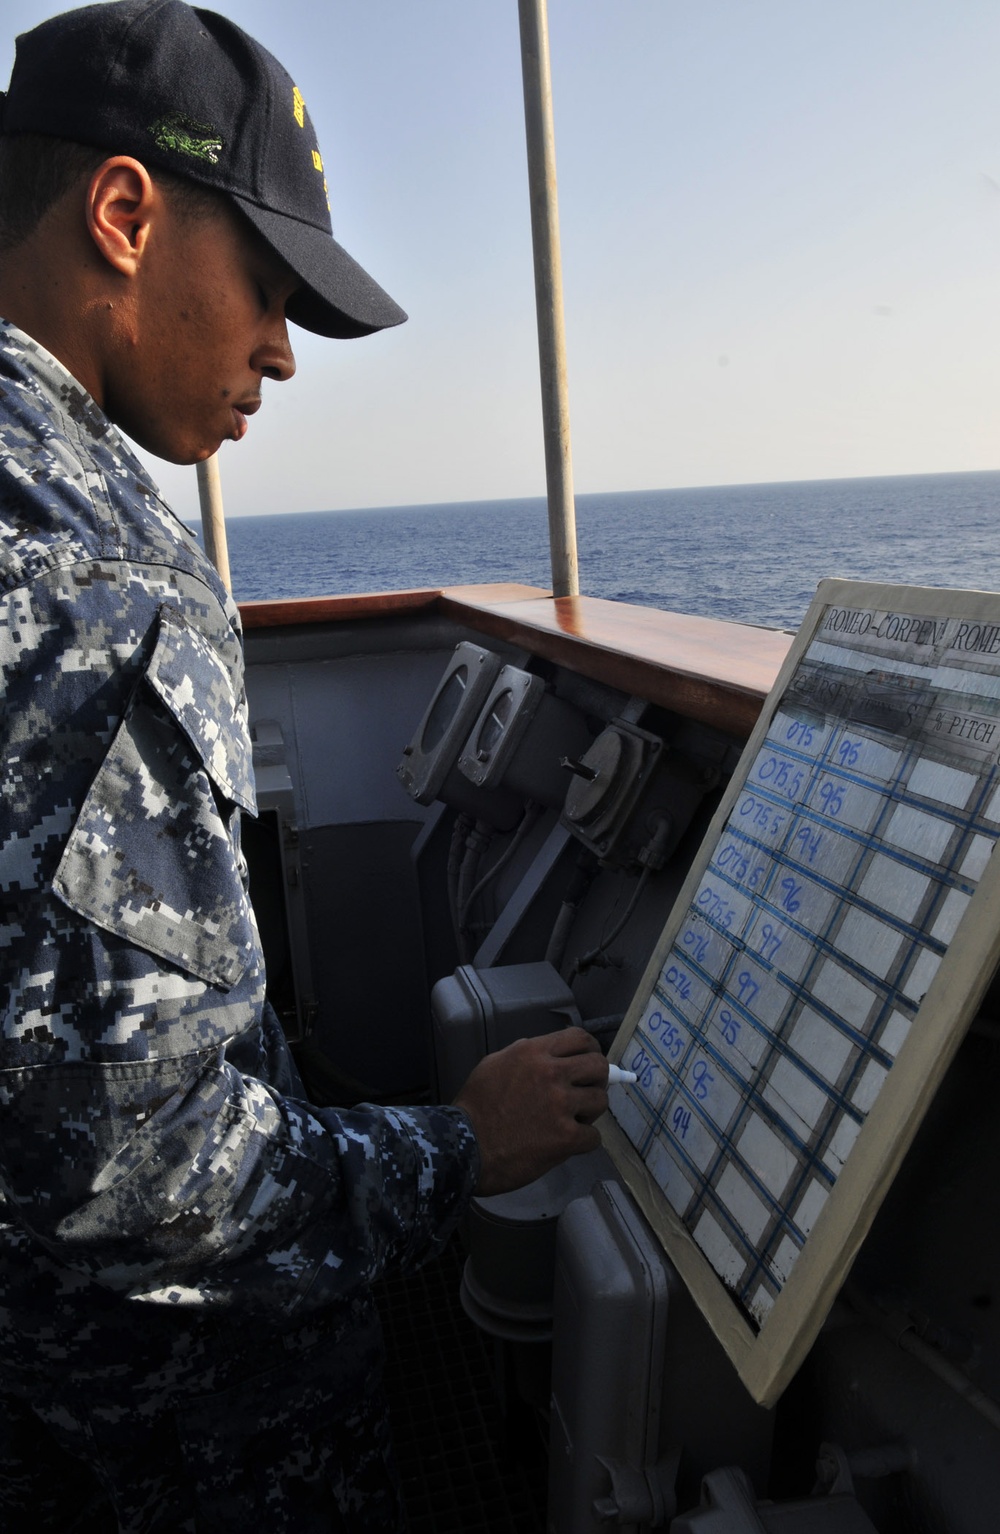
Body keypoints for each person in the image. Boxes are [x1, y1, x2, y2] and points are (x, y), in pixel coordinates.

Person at [0, 3, 609, 1530]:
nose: (279, 348)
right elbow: (131, 1179)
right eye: (268, 286)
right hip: (161, 1442)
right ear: (126, 213)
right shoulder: (85, 582)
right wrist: (459, 1145)